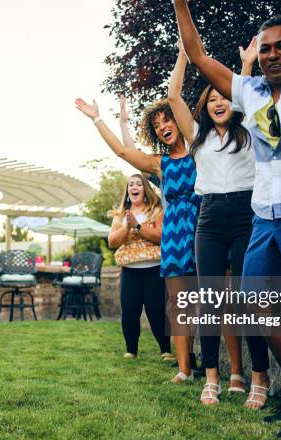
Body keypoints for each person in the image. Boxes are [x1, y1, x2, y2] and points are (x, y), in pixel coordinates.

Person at [173, 0, 281, 440]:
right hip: (266, 214)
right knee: (256, 304)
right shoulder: (247, 92)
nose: (272, 54)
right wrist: (180, 3)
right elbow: (197, 56)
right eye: (266, 48)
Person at [167, 38, 272, 407]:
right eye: (211, 100)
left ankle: (259, 375)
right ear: (205, 108)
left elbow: (242, 93)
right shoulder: (198, 138)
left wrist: (245, 69)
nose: (218, 103)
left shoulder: (251, 133)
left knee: (247, 300)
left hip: (247, 217)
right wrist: (183, 55)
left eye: (223, 98)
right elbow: (174, 96)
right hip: (209, 219)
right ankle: (211, 377)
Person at [75, 96, 200, 384]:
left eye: (167, 120)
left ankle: (229, 373)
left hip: (206, 227)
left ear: (180, 119)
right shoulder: (161, 163)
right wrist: (98, 119)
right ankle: (185, 369)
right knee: (181, 305)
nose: (162, 127)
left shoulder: (201, 151)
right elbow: (123, 151)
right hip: (176, 237)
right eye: (156, 125)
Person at [108, 174, 171, 359]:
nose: (134, 187)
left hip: (154, 269)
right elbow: (112, 241)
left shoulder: (156, 211)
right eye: (130, 185)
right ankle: (131, 350)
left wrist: (137, 227)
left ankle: (166, 350)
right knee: (129, 311)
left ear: (145, 189)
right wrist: (126, 226)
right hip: (130, 270)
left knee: (156, 310)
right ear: (128, 192)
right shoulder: (121, 215)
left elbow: (161, 237)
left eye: (138, 184)